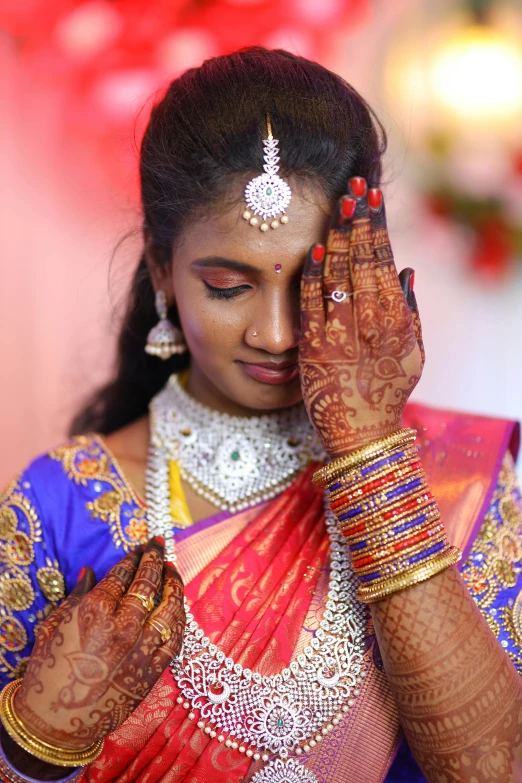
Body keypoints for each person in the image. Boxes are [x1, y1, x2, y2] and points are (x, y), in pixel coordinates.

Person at [0, 47, 520, 783]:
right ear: (161, 271)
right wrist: (36, 740)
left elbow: (492, 769)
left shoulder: (456, 475)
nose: (276, 334)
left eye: (312, 282)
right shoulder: (63, 503)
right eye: (226, 285)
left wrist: (370, 446)